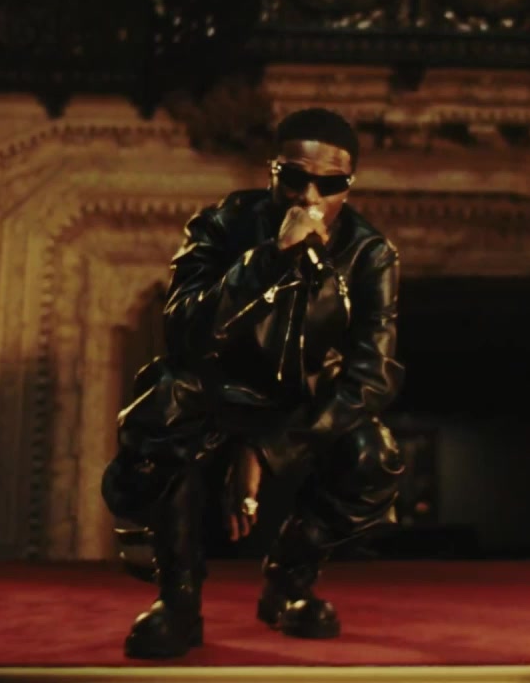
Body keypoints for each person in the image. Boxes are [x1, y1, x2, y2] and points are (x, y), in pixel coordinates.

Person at [101, 107, 406, 659]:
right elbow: (183, 331)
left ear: (348, 185)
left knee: (373, 454)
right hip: (216, 390)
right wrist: (270, 260)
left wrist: (266, 451)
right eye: (295, 177)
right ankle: (178, 599)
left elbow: (373, 375)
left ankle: (289, 583)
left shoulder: (370, 254)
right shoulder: (222, 224)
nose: (309, 196)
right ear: (273, 171)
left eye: (329, 184)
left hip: (297, 405)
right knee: (162, 403)